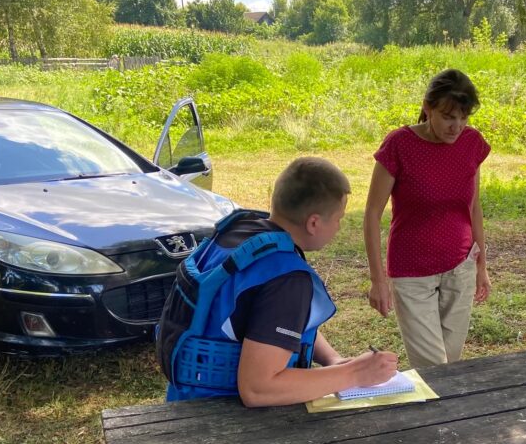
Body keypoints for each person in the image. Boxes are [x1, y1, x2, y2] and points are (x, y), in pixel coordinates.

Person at [158, 157, 397, 406]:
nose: (338, 227)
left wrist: (333, 360)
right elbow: (259, 389)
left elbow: (274, 324)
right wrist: (355, 373)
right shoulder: (287, 279)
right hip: (220, 414)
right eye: (339, 219)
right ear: (314, 223)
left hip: (185, 397)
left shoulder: (239, 233)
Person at [364, 68, 492, 369]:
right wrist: (378, 280)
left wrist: (481, 265)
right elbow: (371, 215)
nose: (456, 126)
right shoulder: (399, 145)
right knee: (434, 368)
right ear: (427, 107)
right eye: (448, 117)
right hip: (412, 272)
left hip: (460, 267)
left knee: (451, 365)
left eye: (463, 117)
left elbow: (474, 207)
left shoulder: (472, 143)